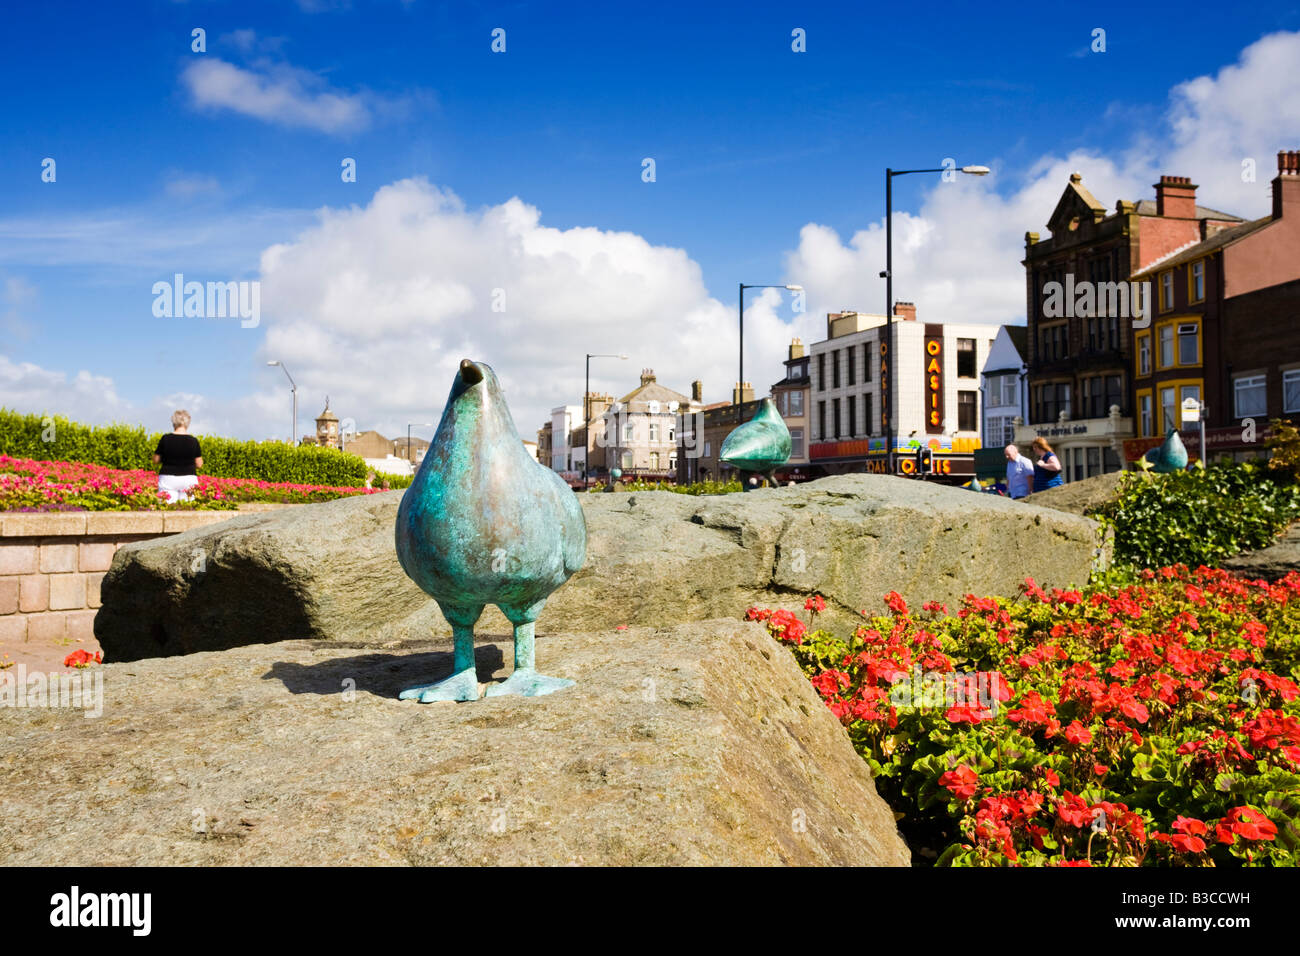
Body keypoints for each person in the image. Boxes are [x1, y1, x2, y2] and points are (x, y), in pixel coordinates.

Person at [153, 410, 203, 502]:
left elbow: (156, 460)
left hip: (168, 478)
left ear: (173, 422)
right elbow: (199, 464)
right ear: (188, 423)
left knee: (166, 507)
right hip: (189, 478)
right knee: (188, 508)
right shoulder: (193, 441)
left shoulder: (165, 439)